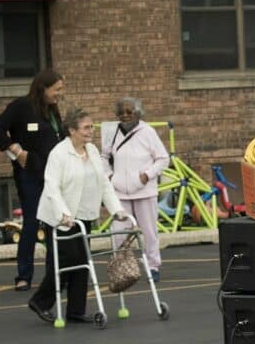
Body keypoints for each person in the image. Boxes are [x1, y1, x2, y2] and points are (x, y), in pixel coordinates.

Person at [27, 108, 121, 325]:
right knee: (66, 260)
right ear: (72, 130)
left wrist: (117, 210)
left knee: (82, 260)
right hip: (59, 217)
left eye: (92, 127)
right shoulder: (59, 154)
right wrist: (64, 214)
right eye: (86, 127)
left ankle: (76, 311)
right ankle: (40, 301)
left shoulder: (93, 151)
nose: (91, 131)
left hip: (84, 214)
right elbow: (52, 187)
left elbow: (104, 183)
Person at [0, 67, 67, 290]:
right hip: (29, 174)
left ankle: (55, 274)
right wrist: (16, 151)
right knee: (32, 222)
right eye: (56, 89)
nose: (58, 94)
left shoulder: (52, 111)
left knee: (54, 222)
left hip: (52, 174)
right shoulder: (21, 106)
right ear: (43, 88)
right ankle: (24, 275)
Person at [104, 97, 169, 280]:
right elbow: (103, 157)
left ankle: (153, 266)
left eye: (129, 112)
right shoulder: (112, 132)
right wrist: (109, 176)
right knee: (119, 232)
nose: (125, 116)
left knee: (149, 231)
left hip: (144, 191)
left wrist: (147, 175)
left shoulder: (148, 132)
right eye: (121, 112)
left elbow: (163, 159)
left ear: (138, 113)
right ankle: (122, 267)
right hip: (120, 193)